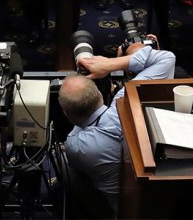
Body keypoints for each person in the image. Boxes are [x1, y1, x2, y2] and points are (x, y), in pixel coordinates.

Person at [59, 38, 175, 215]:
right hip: (164, 200)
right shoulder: (128, 98)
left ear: (66, 113)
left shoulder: (75, 145)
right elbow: (167, 59)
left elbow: (78, 126)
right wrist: (112, 64)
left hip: (124, 210)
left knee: (67, 169)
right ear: (99, 93)